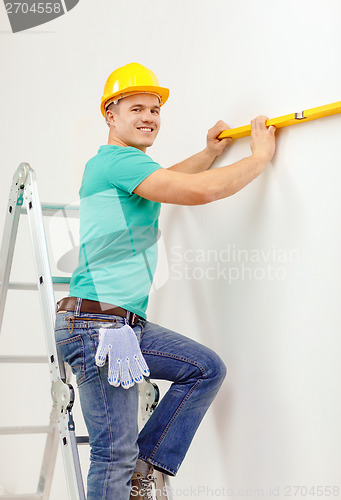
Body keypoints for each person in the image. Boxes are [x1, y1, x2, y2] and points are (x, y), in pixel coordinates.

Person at [54, 62, 276, 500]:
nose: (149, 117)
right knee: (111, 454)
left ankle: (145, 465)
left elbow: (172, 178)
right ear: (109, 115)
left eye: (155, 110)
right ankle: (130, 467)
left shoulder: (128, 167)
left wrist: (209, 154)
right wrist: (259, 158)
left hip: (121, 325)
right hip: (97, 326)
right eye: (136, 107)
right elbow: (197, 192)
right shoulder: (115, 161)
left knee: (205, 369)